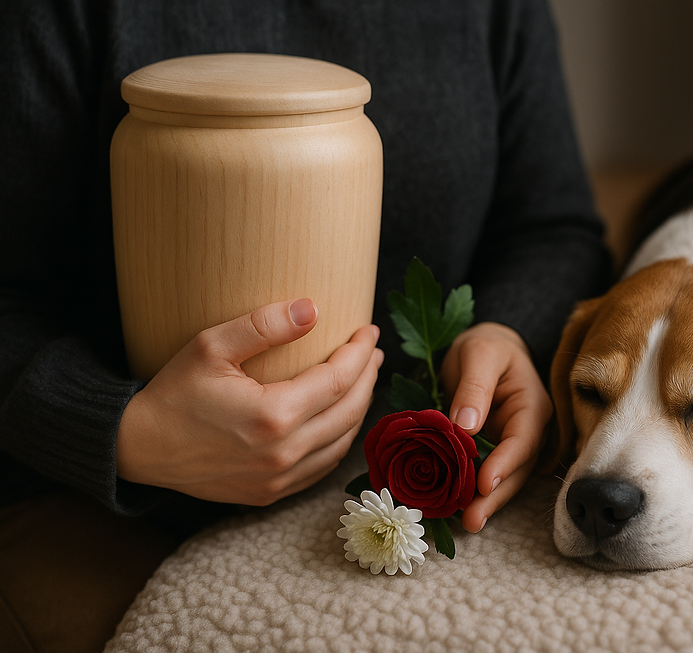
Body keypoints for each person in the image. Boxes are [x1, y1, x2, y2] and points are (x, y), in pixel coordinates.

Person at [0, 1, 610, 651]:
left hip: (409, 496)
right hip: (110, 509)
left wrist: (505, 329)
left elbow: (555, 229)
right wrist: (122, 430)